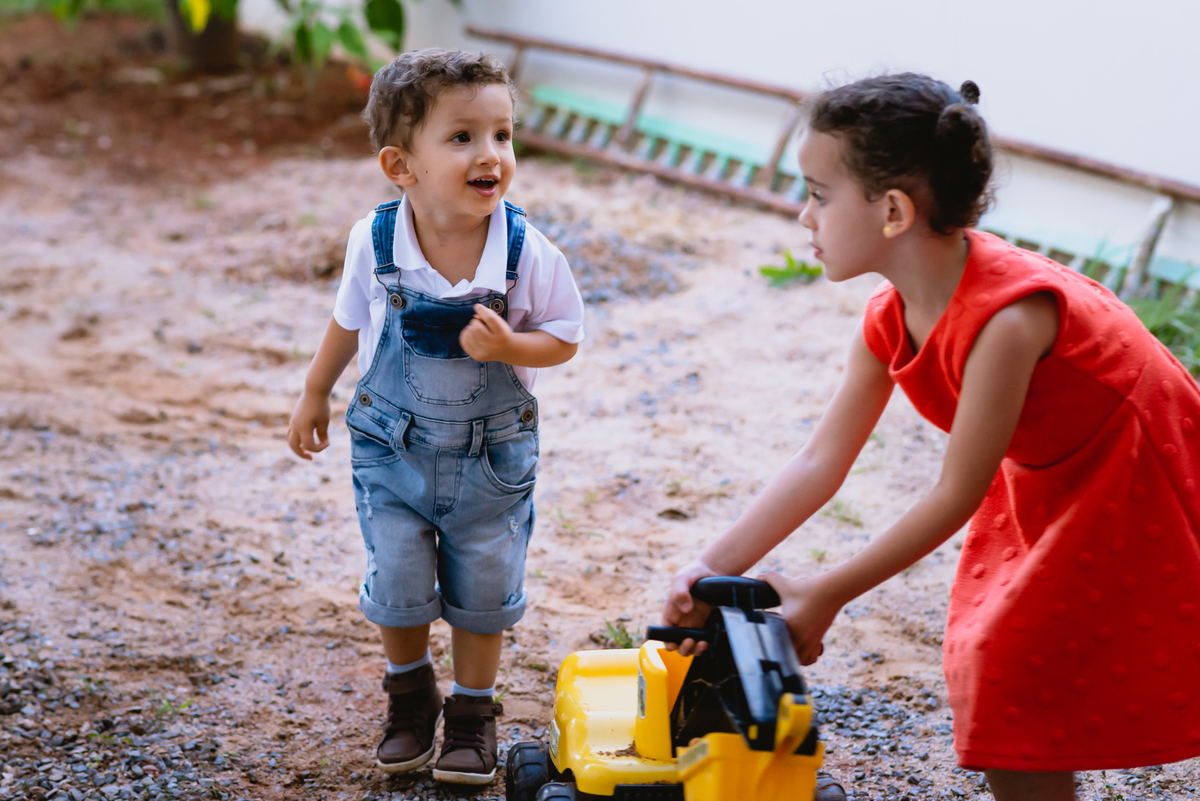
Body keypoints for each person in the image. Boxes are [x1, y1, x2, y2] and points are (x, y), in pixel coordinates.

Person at [662, 74, 1200, 801]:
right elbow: (822, 459)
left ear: (891, 211)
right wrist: (709, 564)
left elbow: (956, 493)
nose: (802, 215)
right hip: (1052, 465)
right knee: (1014, 660)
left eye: (818, 194)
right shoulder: (890, 316)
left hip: (1133, 464)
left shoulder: (1007, 321)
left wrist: (827, 592)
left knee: (1006, 656)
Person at [286, 49, 585, 785]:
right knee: (398, 579)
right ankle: (410, 693)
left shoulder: (525, 251)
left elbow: (566, 336)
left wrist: (513, 344)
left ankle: (475, 711)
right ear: (400, 164)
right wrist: (316, 390)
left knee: (485, 587)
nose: (492, 156)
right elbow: (349, 321)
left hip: (492, 457)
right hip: (393, 449)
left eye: (502, 135)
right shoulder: (376, 241)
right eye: (462, 138)